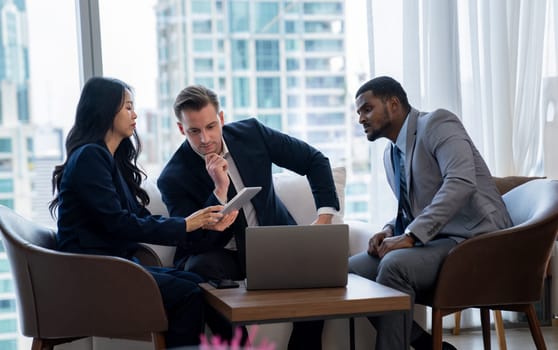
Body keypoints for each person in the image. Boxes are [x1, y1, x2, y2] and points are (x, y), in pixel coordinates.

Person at [49, 77, 238, 348]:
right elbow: (119, 224)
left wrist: (199, 224)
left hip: (114, 268)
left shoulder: (108, 159)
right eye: (127, 107)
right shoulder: (90, 156)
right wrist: (186, 224)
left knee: (196, 281)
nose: (134, 114)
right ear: (105, 110)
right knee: (187, 292)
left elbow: (140, 218)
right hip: (93, 275)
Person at [157, 84, 340, 349]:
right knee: (197, 270)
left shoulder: (252, 133)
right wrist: (219, 191)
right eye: (194, 131)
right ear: (181, 129)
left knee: (317, 269)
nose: (205, 139)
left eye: (210, 126)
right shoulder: (173, 177)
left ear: (221, 119)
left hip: (273, 241)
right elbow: (193, 242)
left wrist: (324, 218)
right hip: (222, 254)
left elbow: (314, 160)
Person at [349, 76, 512, 350]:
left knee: (394, 266)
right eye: (358, 113)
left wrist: (411, 236)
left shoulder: (437, 123)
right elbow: (413, 208)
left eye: (367, 109)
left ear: (393, 104)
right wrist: (391, 229)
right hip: (439, 241)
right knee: (352, 271)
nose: (361, 119)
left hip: (476, 240)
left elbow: (460, 181)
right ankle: (427, 345)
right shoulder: (391, 155)